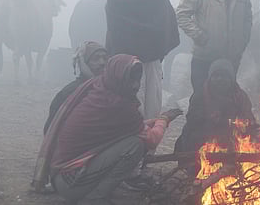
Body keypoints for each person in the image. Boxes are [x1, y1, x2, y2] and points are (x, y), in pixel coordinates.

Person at [32, 54, 182, 204]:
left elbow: (132, 127)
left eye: (137, 79)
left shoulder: (98, 88)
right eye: (131, 79)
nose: (135, 85)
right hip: (71, 182)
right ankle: (95, 198)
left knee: (132, 139)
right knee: (135, 145)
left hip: (61, 176)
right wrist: (164, 120)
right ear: (119, 77)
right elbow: (152, 140)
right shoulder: (118, 104)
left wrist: (154, 121)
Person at [105, 0, 179, 119]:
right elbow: (116, 25)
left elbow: (166, 17)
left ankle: (149, 144)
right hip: (126, 59)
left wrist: (161, 45)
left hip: (153, 57)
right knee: (128, 104)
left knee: (152, 104)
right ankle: (130, 143)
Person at [174, 59, 259, 175]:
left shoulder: (240, 96)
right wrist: (217, 122)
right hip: (203, 139)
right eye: (216, 76)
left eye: (224, 76)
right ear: (210, 78)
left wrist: (247, 128)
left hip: (232, 139)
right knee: (193, 136)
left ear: (231, 79)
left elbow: (248, 120)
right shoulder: (200, 95)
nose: (220, 80)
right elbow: (193, 122)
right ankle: (197, 170)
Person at [44, 41, 107, 135]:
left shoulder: (110, 89)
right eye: (96, 58)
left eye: (105, 58)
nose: (102, 62)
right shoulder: (69, 92)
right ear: (84, 64)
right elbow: (50, 128)